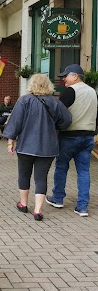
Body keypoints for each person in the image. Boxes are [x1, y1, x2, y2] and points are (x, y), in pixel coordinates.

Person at [3, 74, 72, 221]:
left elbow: (15, 123)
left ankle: (23, 204)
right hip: (47, 147)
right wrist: (55, 127)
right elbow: (67, 120)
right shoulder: (55, 102)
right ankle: (38, 210)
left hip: (25, 146)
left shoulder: (24, 101)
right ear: (48, 85)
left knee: (24, 175)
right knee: (41, 178)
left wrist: (10, 142)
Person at [46, 64, 98, 217]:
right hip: (88, 136)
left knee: (61, 167)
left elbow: (58, 112)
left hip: (69, 136)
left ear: (75, 76)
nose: (64, 80)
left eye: (66, 76)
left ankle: (58, 198)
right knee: (84, 171)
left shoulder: (70, 91)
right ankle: (82, 207)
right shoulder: (93, 92)